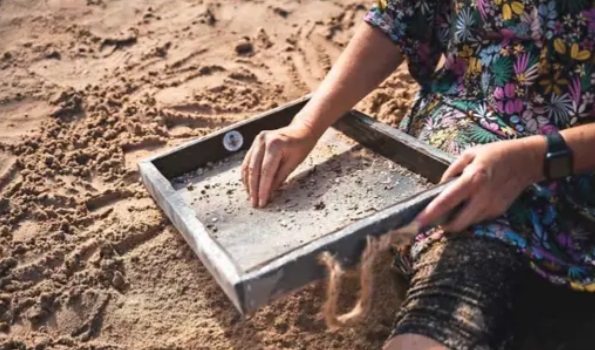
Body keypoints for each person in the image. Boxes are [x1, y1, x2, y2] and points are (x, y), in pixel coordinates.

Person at [242, 0, 595, 349]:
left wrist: (536, 159)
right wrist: (305, 125)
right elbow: (401, 14)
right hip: (456, 145)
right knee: (460, 258)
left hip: (576, 167)